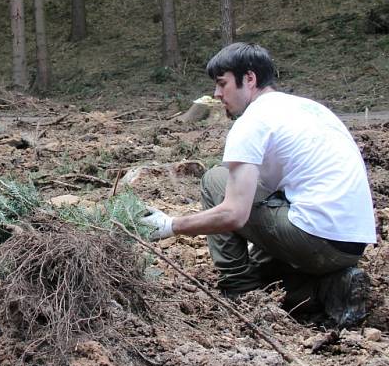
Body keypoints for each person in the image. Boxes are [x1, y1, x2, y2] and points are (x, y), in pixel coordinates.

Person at [141, 43, 376, 328]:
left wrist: (171, 225)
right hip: (351, 244)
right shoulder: (308, 108)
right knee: (262, 267)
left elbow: (234, 214)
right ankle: (332, 287)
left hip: (316, 240)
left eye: (222, 84)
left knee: (216, 180)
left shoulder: (252, 121)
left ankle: (241, 292)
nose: (216, 95)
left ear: (249, 79)